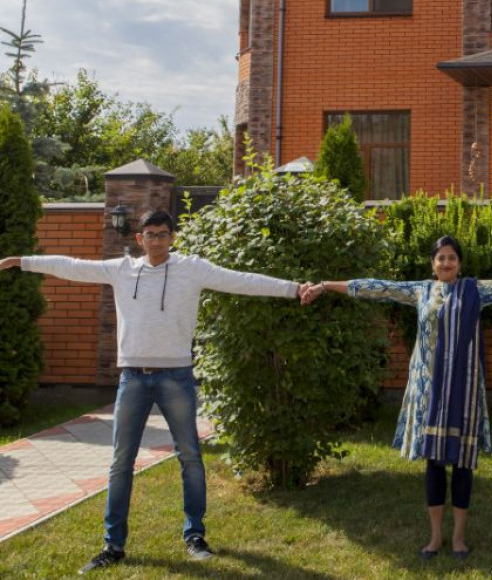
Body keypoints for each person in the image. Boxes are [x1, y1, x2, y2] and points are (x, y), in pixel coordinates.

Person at [1, 210, 304, 574]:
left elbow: (241, 280)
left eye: (163, 233)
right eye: (150, 234)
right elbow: (72, 265)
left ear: (172, 237)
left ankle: (195, 536)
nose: (157, 240)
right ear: (139, 238)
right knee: (120, 462)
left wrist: (293, 289)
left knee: (190, 456)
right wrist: (20, 261)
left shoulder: (192, 268)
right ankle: (113, 545)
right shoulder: (121, 269)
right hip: (132, 377)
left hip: (176, 375)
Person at [301, 235, 492, 560]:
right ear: (432, 265)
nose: (446, 263)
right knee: (434, 463)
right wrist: (324, 285)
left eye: (452, 257)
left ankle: (459, 537)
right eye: (440, 258)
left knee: (462, 464)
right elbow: (375, 287)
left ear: (459, 263)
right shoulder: (420, 291)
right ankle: (435, 537)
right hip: (429, 394)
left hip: (463, 394)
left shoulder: (475, 290)